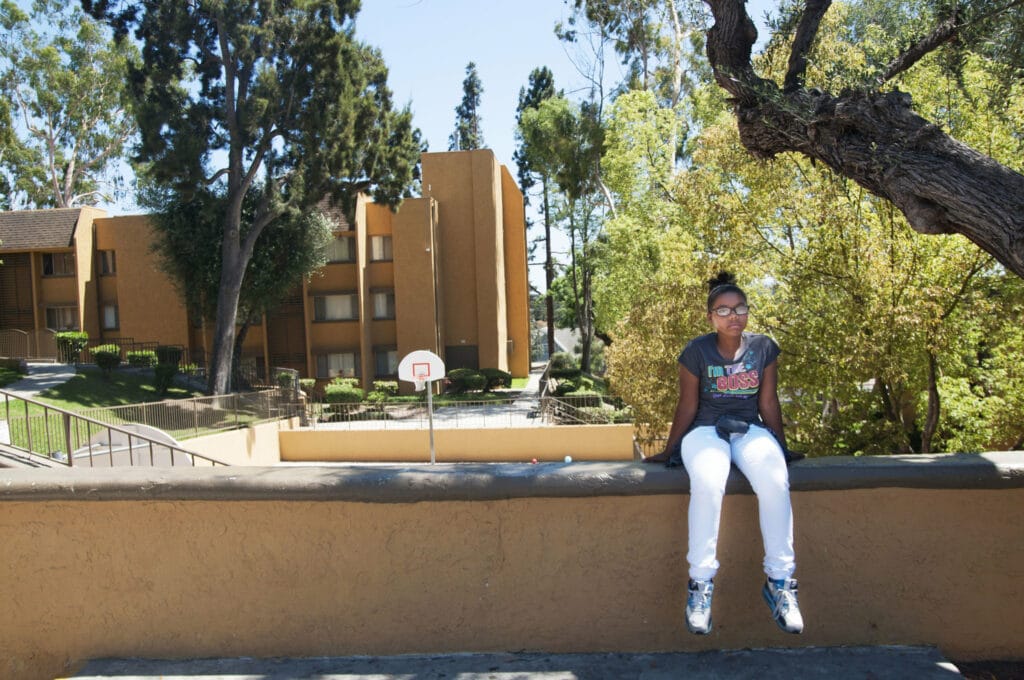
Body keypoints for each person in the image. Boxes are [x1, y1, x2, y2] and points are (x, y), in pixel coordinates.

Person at [644, 272, 803, 636]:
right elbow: (687, 405)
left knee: (776, 479)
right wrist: (670, 449)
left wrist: (781, 445)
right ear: (710, 317)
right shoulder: (696, 352)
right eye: (724, 310)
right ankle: (700, 586)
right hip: (704, 431)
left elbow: (768, 402)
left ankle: (780, 583)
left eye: (740, 308)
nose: (734, 316)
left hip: (749, 429)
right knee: (710, 480)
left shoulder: (763, 348)